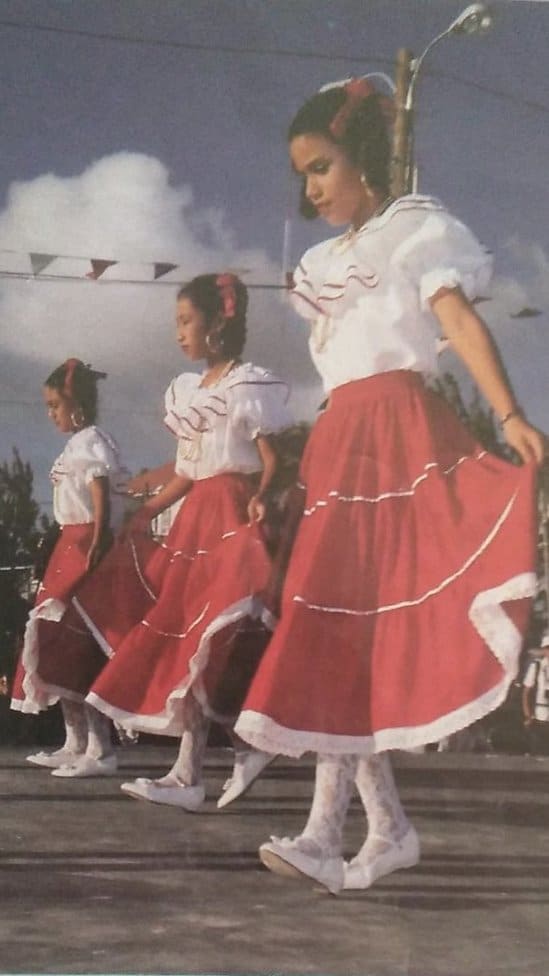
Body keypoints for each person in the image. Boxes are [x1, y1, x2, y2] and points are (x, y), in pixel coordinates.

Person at [233, 77, 545, 894]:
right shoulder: (321, 263)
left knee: (348, 625)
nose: (310, 187)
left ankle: (325, 834)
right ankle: (386, 831)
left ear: (363, 158)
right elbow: (337, 375)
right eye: (301, 173)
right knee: (339, 628)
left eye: (321, 167)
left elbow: (457, 323)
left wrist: (508, 414)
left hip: (400, 434)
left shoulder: (416, 230)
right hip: (342, 441)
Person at [74, 273, 290, 809]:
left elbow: (273, 459)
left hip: (235, 514)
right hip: (197, 520)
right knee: (187, 642)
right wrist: (145, 510)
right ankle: (188, 772)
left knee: (228, 631)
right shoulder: (189, 392)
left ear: (219, 324)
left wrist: (264, 494)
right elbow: (188, 473)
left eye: (187, 321)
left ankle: (253, 737)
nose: (178, 333)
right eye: (177, 323)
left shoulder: (247, 385)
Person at [11, 358, 128, 777]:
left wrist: (98, 536)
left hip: (84, 546)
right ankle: (74, 739)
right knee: (55, 640)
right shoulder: (74, 444)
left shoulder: (90, 441)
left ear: (76, 404)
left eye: (55, 405)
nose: (50, 413)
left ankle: (100, 748)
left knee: (81, 645)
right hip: (67, 546)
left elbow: (99, 489)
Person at [522, 634, 549, 755]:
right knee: (538, 751)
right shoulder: (537, 666)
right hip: (539, 714)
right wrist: (528, 715)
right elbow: (526, 692)